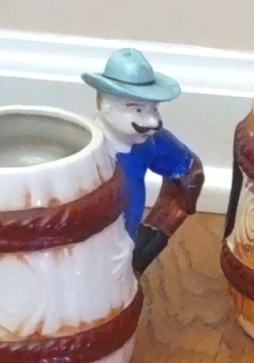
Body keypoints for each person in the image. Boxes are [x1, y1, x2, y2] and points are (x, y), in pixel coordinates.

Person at [83, 49, 203, 275]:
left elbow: (189, 171)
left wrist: (156, 233)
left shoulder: (149, 142)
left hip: (121, 259)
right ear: (106, 106)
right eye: (138, 109)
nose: (153, 121)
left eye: (154, 108)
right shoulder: (84, 153)